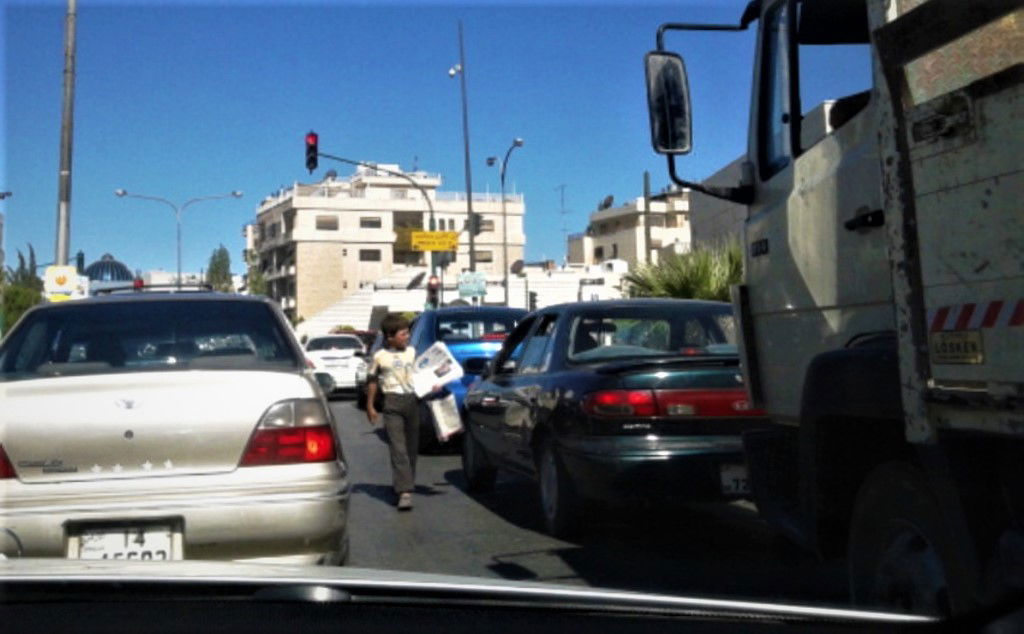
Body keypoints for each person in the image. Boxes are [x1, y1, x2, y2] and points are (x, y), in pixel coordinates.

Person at [365, 314, 426, 511]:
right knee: (398, 448)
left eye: (407, 333)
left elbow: (422, 375)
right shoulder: (380, 357)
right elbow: (372, 381)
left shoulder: (412, 353)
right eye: (403, 334)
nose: (407, 337)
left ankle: (406, 482)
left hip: (412, 401)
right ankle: (404, 492)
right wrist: (371, 406)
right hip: (392, 404)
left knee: (410, 449)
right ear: (390, 337)